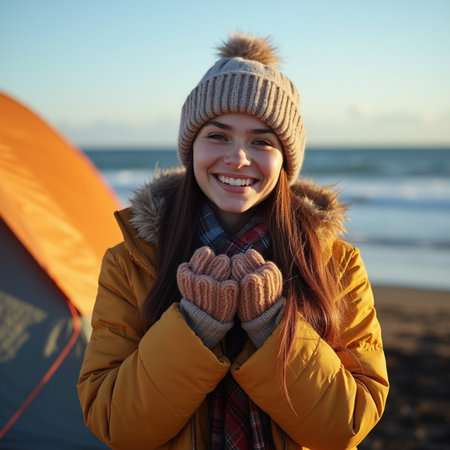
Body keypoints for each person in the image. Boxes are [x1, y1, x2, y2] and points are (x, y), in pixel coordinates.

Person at [78, 32, 389, 450]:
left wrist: (273, 327)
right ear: (191, 149)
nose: (239, 157)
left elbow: (346, 425)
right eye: (218, 136)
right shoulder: (131, 261)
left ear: (285, 160)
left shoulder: (336, 264)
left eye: (261, 141)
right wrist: (194, 327)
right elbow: (115, 422)